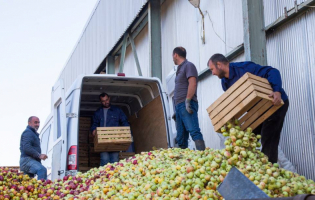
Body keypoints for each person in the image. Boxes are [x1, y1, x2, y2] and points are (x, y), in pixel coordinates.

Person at [208, 53, 289, 163]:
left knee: (268, 138)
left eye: (212, 69)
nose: (212, 73)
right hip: (257, 109)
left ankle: (269, 170)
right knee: (249, 138)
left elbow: (272, 71)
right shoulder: (225, 82)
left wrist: (277, 91)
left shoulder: (244, 68)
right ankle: (252, 168)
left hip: (274, 103)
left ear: (219, 64)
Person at [172, 47, 205, 150]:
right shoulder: (180, 68)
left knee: (194, 130)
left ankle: (202, 155)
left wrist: (188, 101)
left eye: (172, 56)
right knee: (181, 137)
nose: (172, 58)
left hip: (186, 104)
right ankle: (183, 161)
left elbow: (193, 83)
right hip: (179, 106)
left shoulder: (188, 65)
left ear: (175, 55)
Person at [90, 93, 129, 166]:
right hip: (103, 140)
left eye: (107, 100)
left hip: (115, 139)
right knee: (104, 159)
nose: (106, 102)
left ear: (109, 98)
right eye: (103, 101)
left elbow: (124, 122)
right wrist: (93, 130)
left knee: (114, 160)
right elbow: (94, 123)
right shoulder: (98, 112)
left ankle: (114, 176)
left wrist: (126, 132)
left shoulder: (117, 110)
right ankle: (104, 176)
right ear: (101, 102)